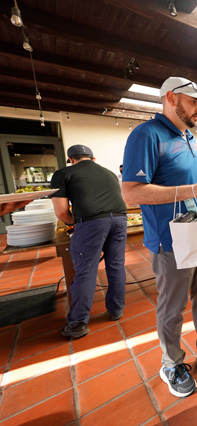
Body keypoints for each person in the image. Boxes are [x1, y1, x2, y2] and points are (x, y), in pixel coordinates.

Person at [121, 77, 197, 398]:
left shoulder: (188, 135)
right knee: (172, 307)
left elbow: (194, 184)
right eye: (194, 102)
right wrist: (193, 190)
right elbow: (131, 193)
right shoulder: (146, 135)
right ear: (172, 98)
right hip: (171, 240)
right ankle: (171, 362)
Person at [50, 144, 128, 339]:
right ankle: (116, 310)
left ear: (71, 160)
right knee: (116, 265)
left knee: (86, 271)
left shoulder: (63, 174)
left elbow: (61, 212)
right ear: (93, 159)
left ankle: (77, 324)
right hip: (120, 219)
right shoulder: (109, 173)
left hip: (92, 222)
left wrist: (77, 223)